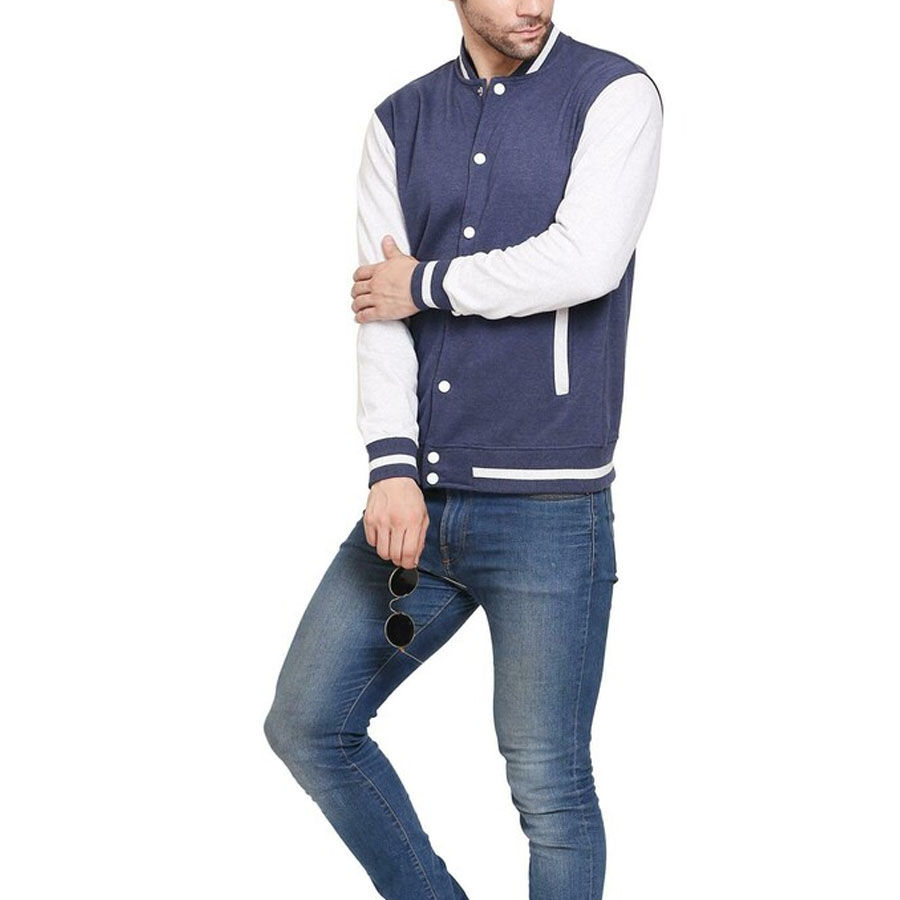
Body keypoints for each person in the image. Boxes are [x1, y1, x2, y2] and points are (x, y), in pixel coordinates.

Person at [264, 2, 663, 897]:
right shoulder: (399, 120)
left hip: (550, 512)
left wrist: (427, 283)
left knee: (549, 787)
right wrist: (390, 466)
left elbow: (586, 260)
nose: (535, 5)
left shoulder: (614, 94)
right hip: (421, 502)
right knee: (308, 723)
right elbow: (379, 308)